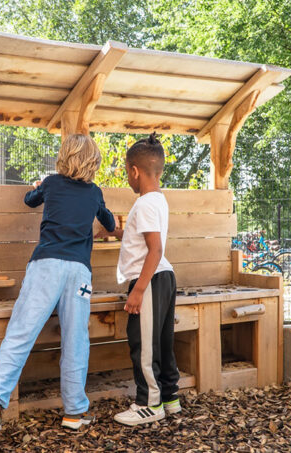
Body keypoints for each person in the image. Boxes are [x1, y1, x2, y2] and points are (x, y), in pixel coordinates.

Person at [0, 134, 115, 431]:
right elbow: (111, 224)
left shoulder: (50, 183)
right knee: (76, 341)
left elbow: (29, 200)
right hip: (78, 273)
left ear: (63, 157)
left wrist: (37, 187)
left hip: (45, 266)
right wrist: (102, 211)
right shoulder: (94, 193)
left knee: (20, 332)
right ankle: (74, 412)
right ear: (93, 162)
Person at [97, 133, 179, 426]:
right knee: (162, 343)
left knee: (143, 345)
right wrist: (115, 232)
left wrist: (138, 291)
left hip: (150, 279)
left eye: (126, 172)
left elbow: (154, 250)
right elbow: (143, 239)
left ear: (134, 170)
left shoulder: (143, 204)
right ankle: (169, 398)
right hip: (164, 278)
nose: (127, 178)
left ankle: (148, 404)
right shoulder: (157, 201)